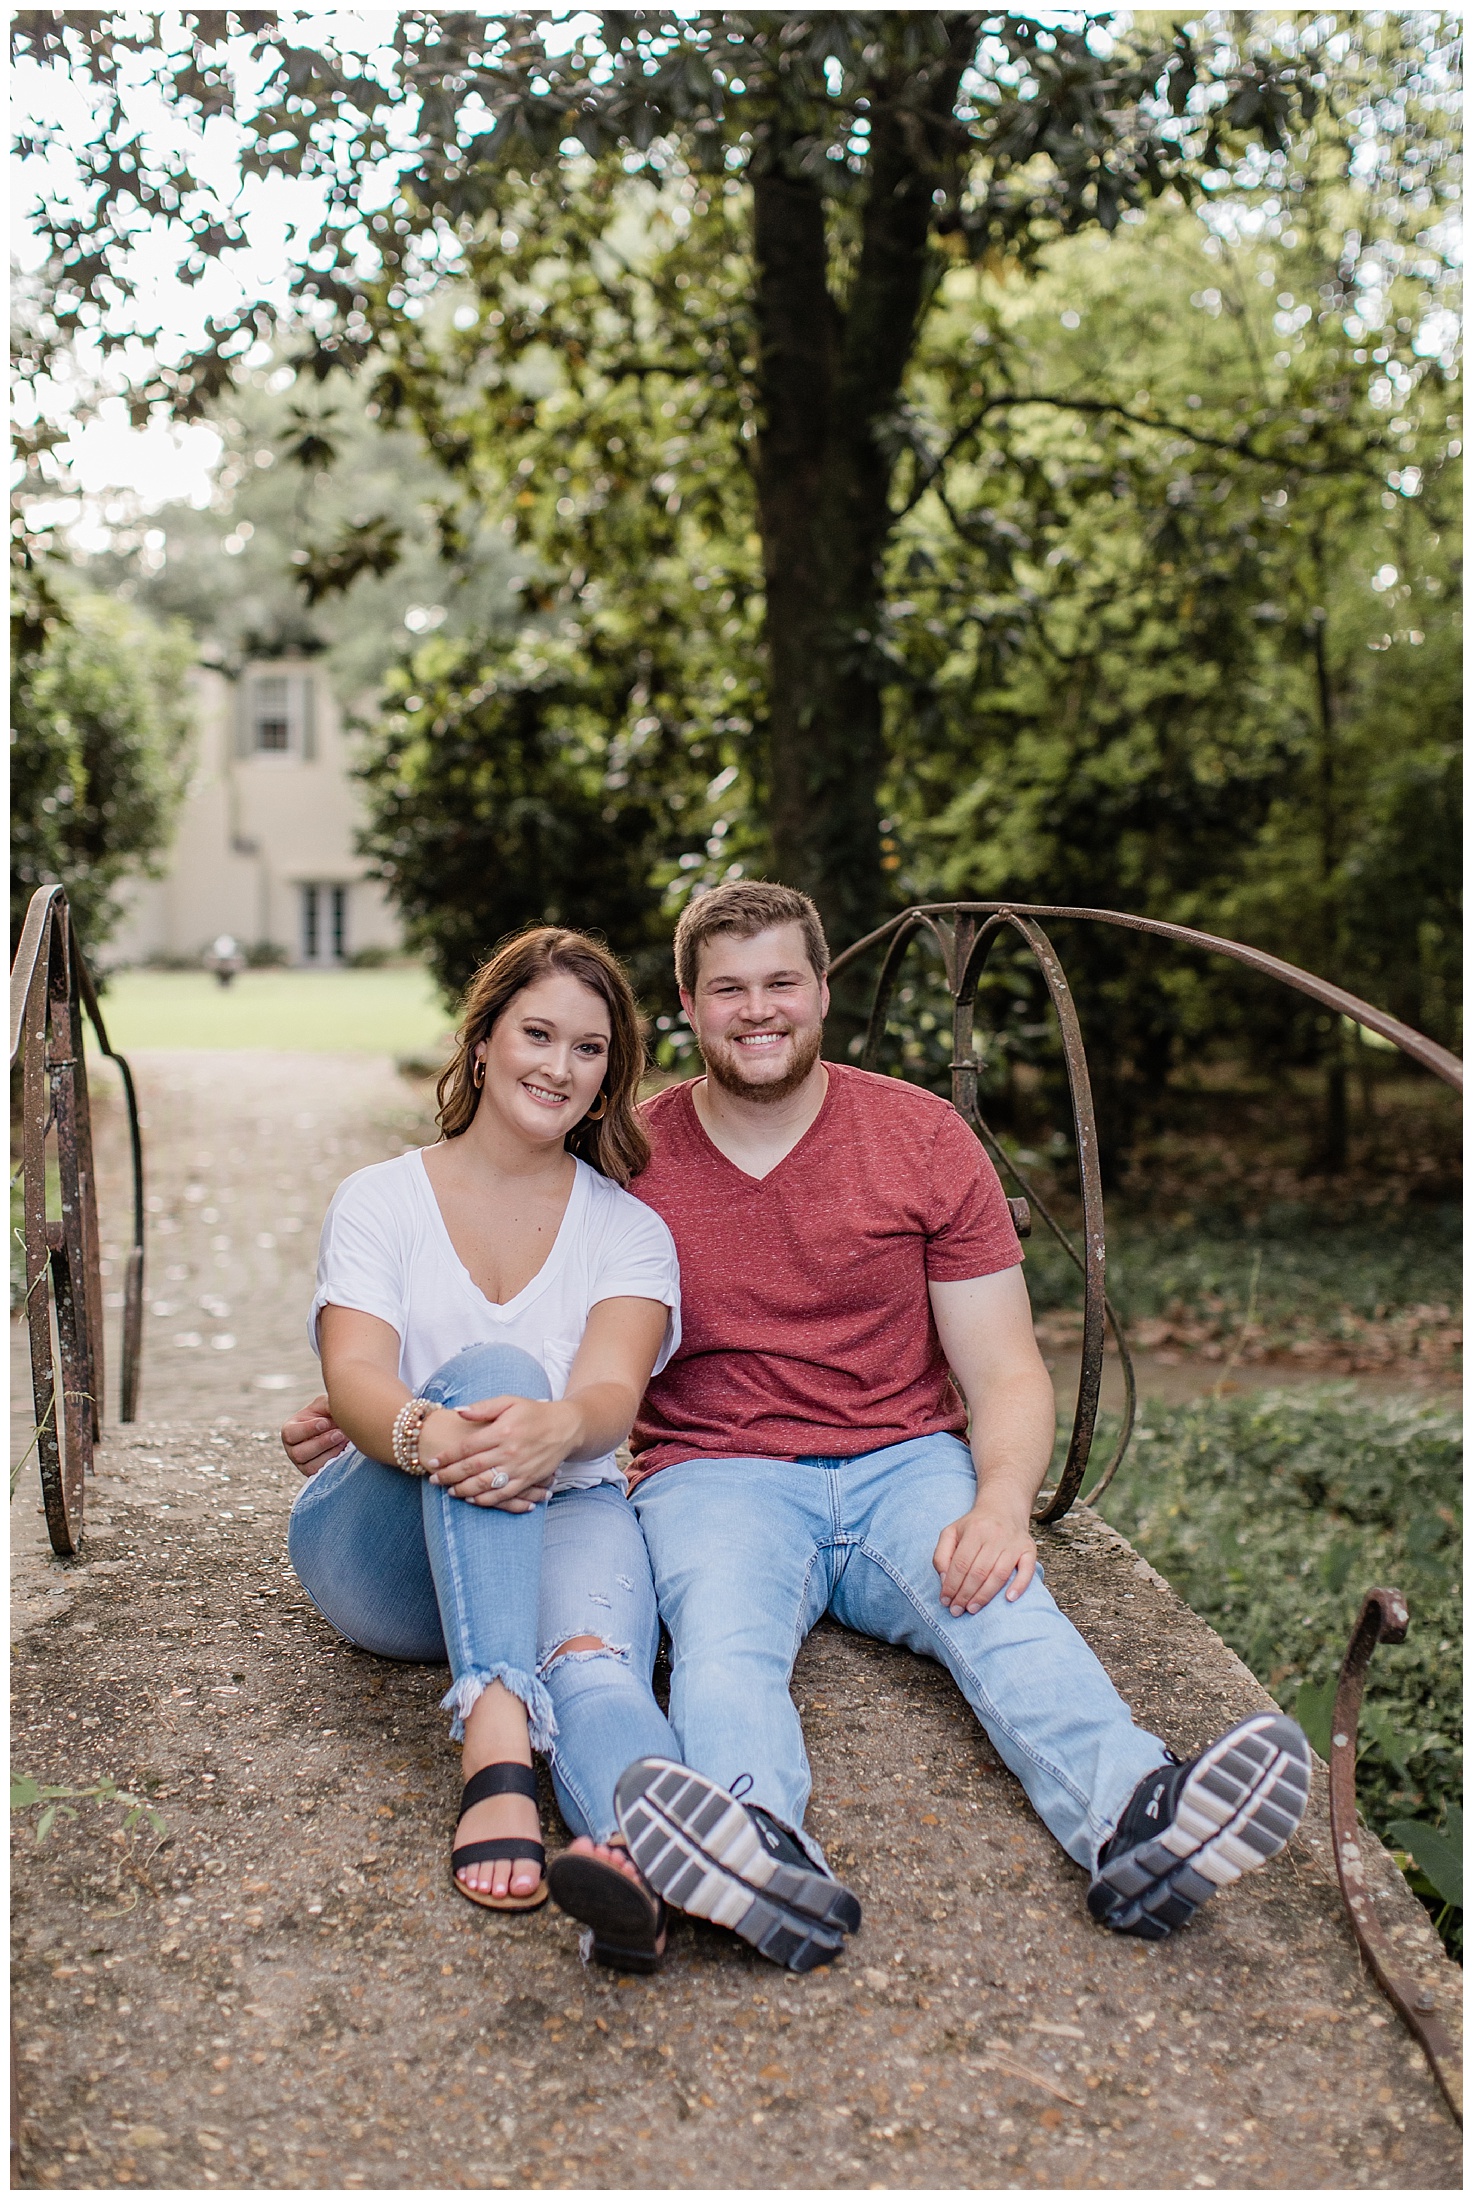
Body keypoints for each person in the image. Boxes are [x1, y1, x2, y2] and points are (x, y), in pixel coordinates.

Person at [288, 882, 1311, 1962]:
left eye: (782, 981)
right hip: (718, 1475)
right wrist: (386, 1404)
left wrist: (1002, 1503)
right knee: (724, 1647)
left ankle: (1139, 1821)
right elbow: (500, 1255)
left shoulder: (918, 1140)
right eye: (729, 988)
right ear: (688, 1004)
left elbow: (1006, 1368)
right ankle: (753, 1842)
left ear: (822, 989)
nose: (758, 1009)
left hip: (902, 1462)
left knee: (1004, 1603)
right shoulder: (632, 1152)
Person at [285, 922, 862, 1971]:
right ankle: (496, 1746)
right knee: (499, 1375)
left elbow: (609, 1392)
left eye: (588, 1050)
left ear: (609, 1081)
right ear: (482, 1042)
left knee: (600, 1670)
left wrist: (561, 1428)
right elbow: (358, 1380)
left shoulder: (628, 1230)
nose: (558, 1065)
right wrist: (441, 1431)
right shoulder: (381, 1199)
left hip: (574, 1506)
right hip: (384, 1543)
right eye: (536, 1034)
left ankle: (647, 1863)